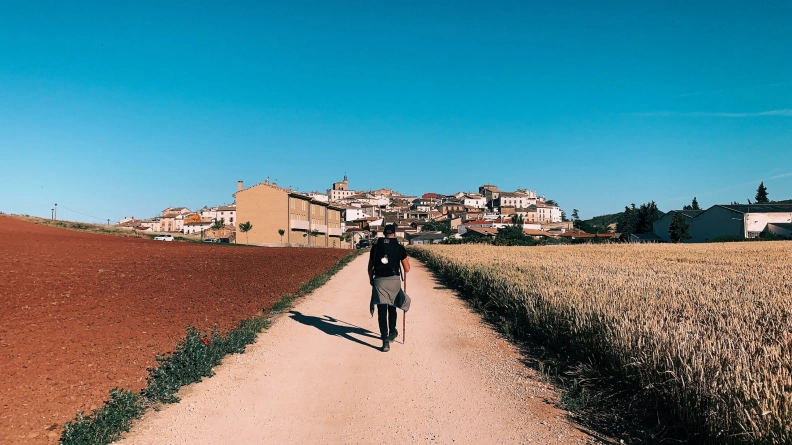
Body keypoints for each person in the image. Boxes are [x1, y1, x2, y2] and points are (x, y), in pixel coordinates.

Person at [368, 223, 411, 352]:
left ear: (383, 234)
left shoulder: (375, 247)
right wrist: (406, 259)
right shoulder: (399, 248)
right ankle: (392, 332)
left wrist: (371, 279)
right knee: (392, 307)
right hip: (394, 281)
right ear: (394, 234)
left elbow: (370, 267)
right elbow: (407, 269)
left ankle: (385, 340)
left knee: (382, 310)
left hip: (379, 281)